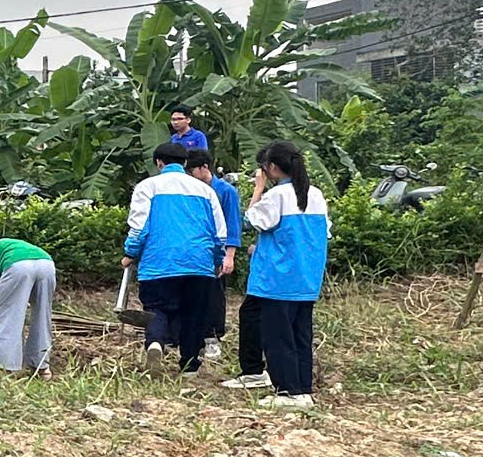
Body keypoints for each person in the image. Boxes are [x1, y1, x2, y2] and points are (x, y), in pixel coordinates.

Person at [223, 141, 330, 408]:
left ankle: (287, 392)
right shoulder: (315, 194)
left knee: (277, 337)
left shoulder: (276, 196)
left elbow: (250, 220)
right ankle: (302, 389)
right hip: (306, 278)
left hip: (278, 278)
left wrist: (258, 189)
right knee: (300, 335)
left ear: (272, 167)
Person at [124, 142, 228, 374]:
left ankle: (155, 343)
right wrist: (216, 259)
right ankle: (189, 365)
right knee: (193, 313)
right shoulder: (205, 190)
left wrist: (131, 253)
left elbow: (139, 227)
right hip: (199, 264)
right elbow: (219, 233)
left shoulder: (147, 186)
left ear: (158, 163)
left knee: (156, 309)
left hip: (158, 263)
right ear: (185, 163)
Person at [183, 151, 243, 363]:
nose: (189, 175)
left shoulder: (225, 191)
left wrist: (229, 255)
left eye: (191, 171)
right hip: (195, 252)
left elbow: (233, 224)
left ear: (204, 168)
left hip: (216, 251)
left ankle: (213, 338)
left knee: (215, 297)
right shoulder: (190, 190)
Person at [0, 232, 55, 375]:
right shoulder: (7, 245)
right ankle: (42, 367)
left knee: (6, 317)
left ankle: (7, 369)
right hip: (47, 264)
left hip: (18, 266)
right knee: (42, 316)